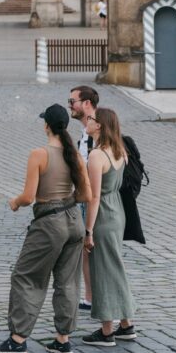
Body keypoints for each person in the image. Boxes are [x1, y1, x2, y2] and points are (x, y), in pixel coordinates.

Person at [0, 104, 90, 353]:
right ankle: (63, 340)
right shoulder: (75, 154)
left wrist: (14, 202)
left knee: (26, 276)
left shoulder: (39, 154)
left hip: (49, 223)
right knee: (67, 282)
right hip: (74, 220)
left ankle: (18, 339)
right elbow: (86, 194)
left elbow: (29, 196)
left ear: (47, 126)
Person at [83, 108, 137, 346]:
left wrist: (88, 231)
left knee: (103, 271)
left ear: (101, 126)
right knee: (115, 267)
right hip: (118, 211)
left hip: (104, 213)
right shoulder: (119, 150)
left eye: (92, 119)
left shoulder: (97, 155)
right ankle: (126, 324)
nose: (88, 121)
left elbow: (94, 197)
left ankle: (107, 330)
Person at [68, 85, 99, 312]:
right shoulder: (84, 130)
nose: (70, 105)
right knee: (85, 251)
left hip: (93, 199)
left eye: (73, 101)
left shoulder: (97, 128)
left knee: (94, 249)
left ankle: (99, 299)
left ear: (87, 103)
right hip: (84, 197)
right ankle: (89, 297)